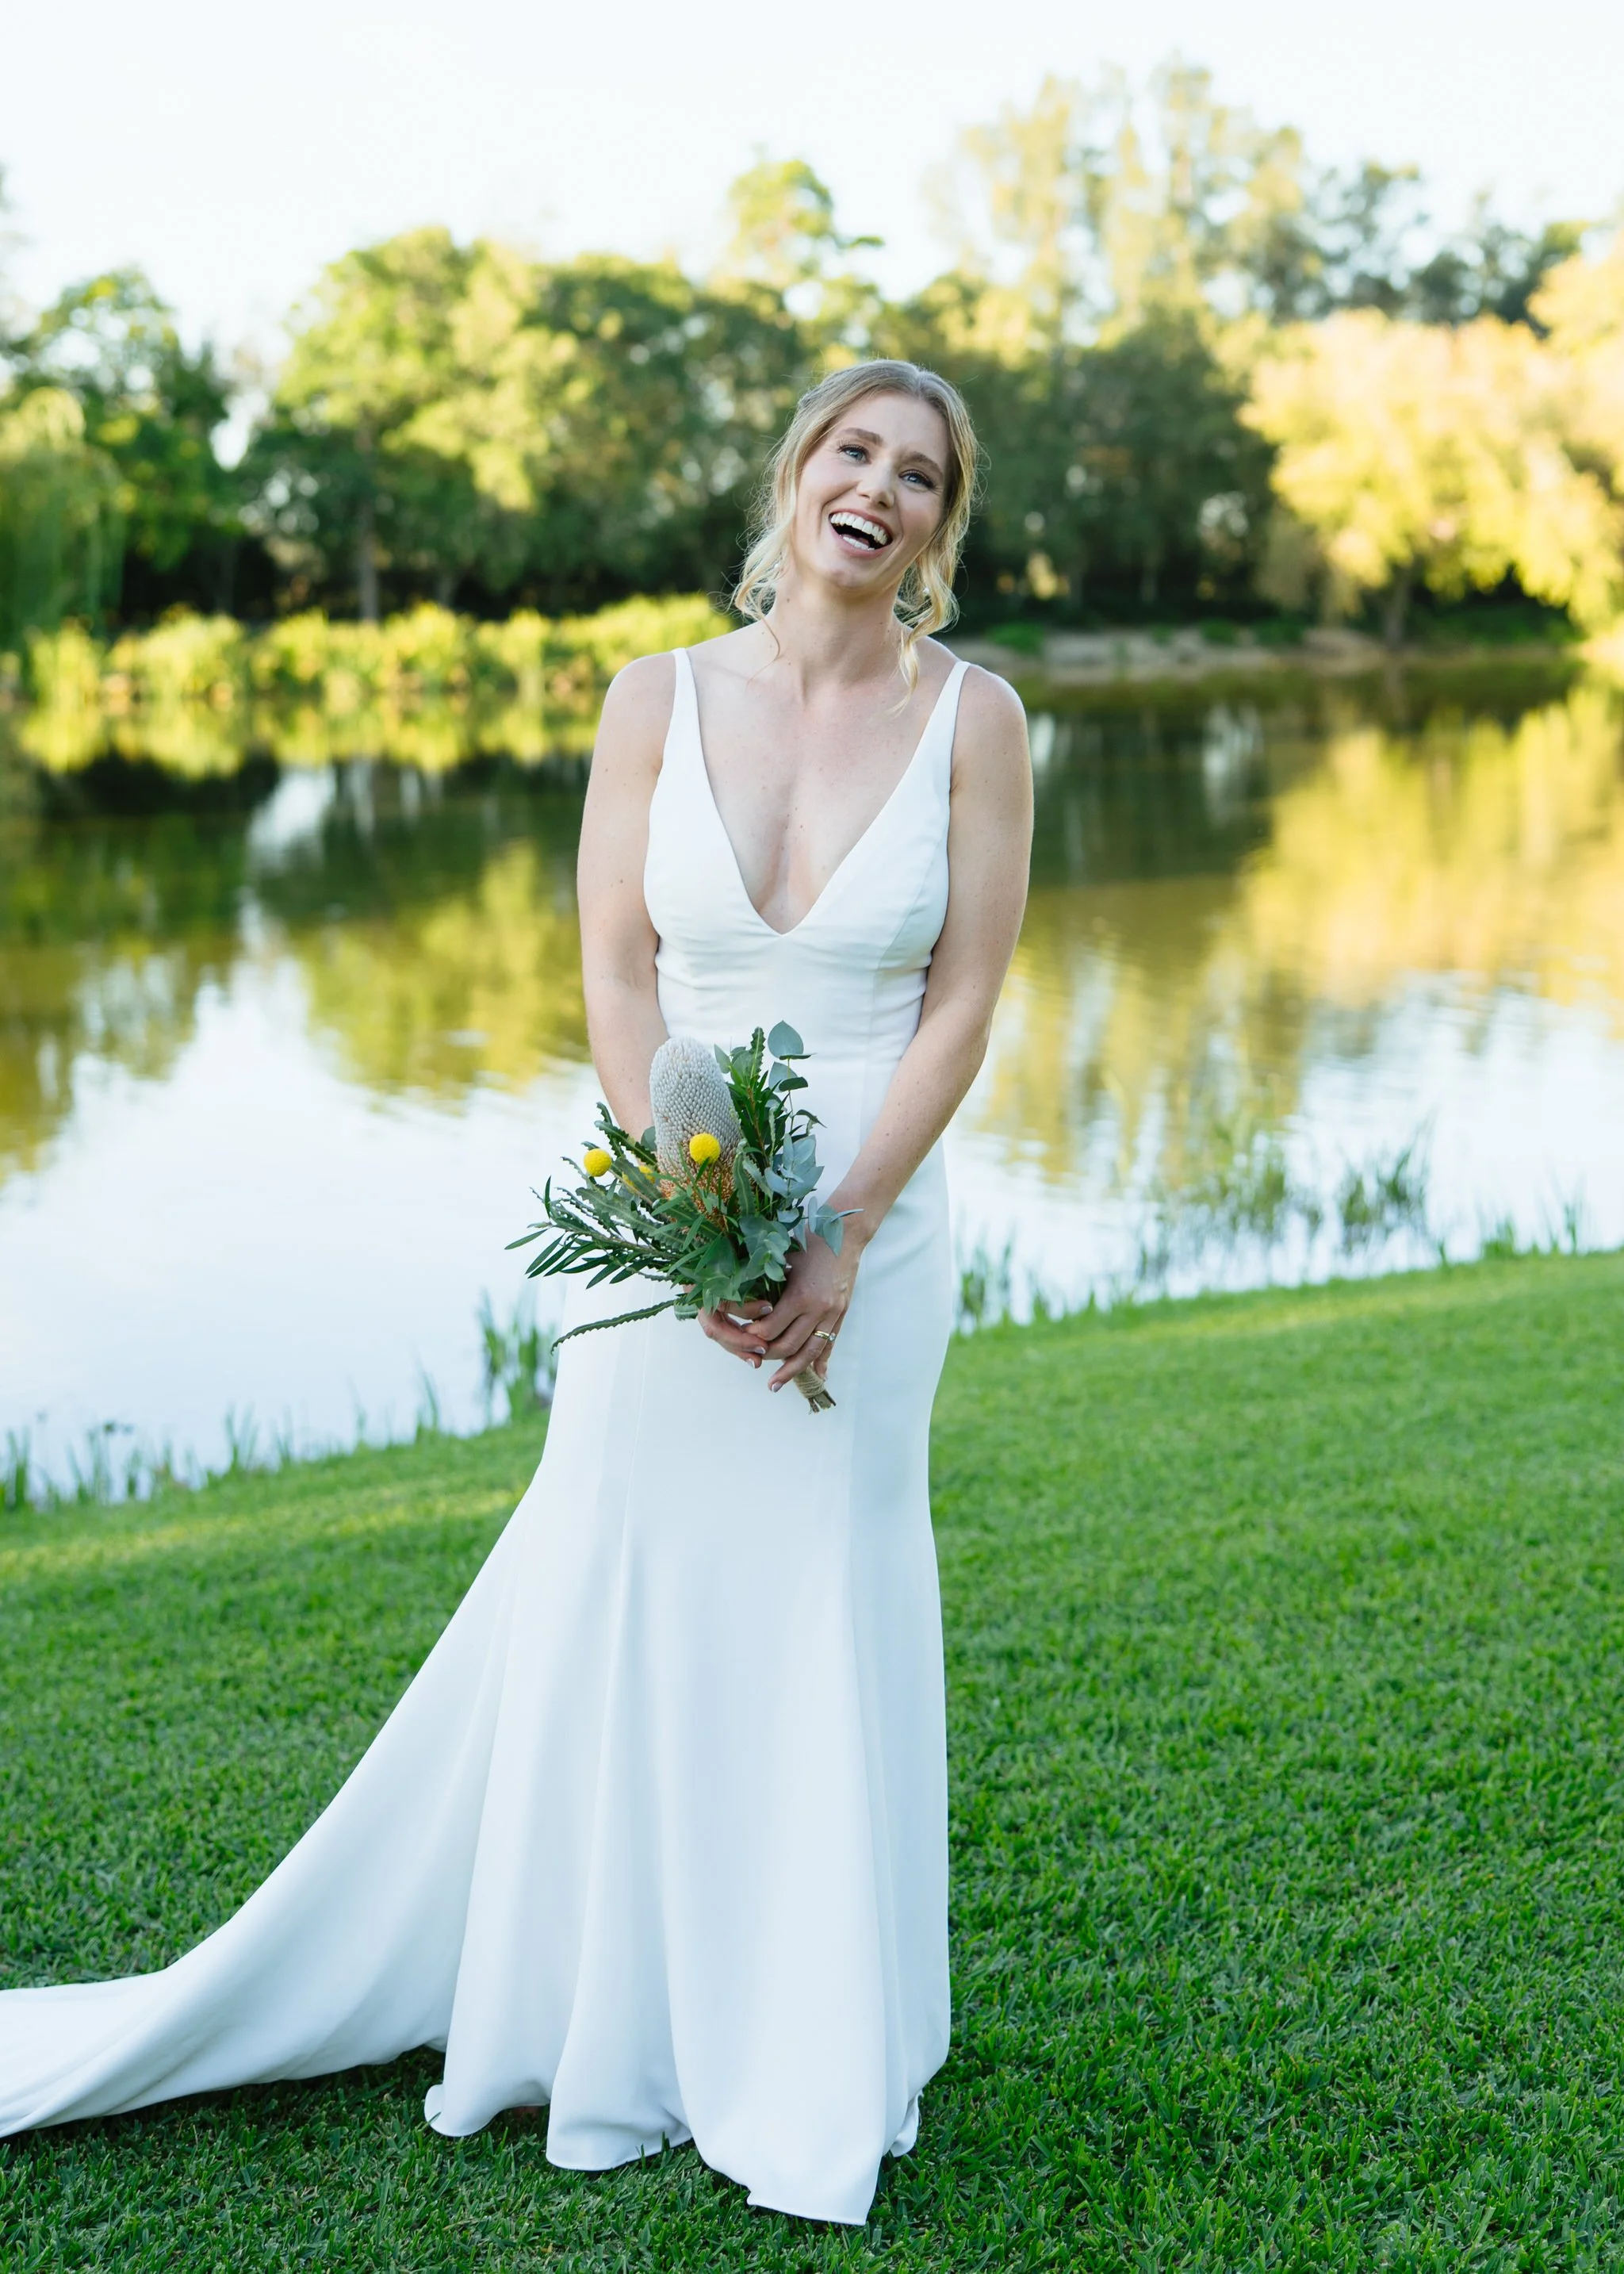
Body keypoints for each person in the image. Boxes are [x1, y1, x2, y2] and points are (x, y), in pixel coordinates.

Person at [0, 360, 1032, 2225]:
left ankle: (810, 2034)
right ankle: (604, 2013)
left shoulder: (977, 718)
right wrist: (691, 1209)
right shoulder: (651, 697)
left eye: (918, 474)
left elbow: (962, 997)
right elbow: (618, 970)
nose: (878, 488)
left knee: (824, 1588)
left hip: (875, 1235)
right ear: (796, 469)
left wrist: (840, 1228)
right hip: (665, 1213)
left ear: (940, 527)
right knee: (622, 1579)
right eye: (853, 450)